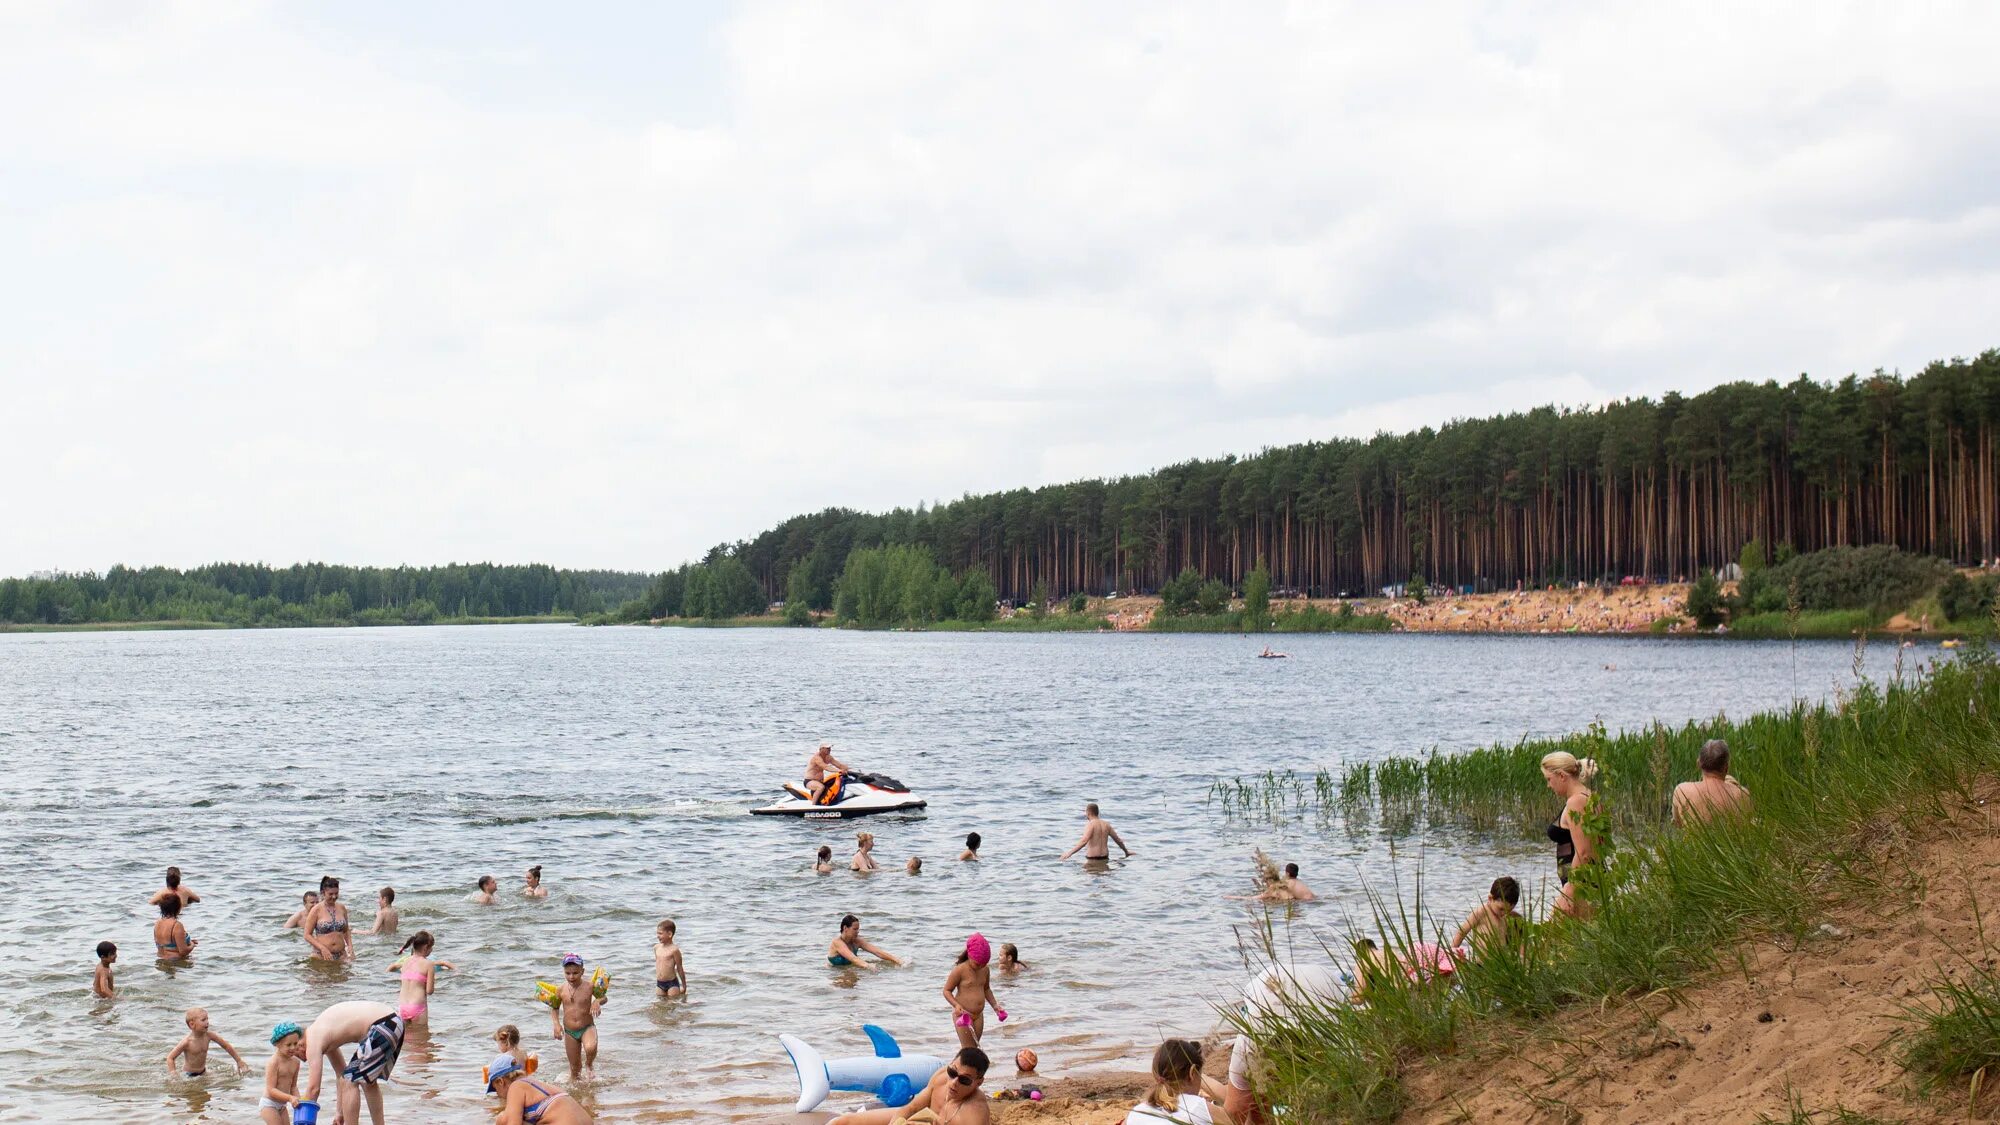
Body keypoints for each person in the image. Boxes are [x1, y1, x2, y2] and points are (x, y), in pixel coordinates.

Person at [301, 1000, 404, 1125]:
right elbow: (340, 1074)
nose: (303, 1059)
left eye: (294, 1052)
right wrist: (339, 1113)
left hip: (383, 1025)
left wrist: (303, 1116)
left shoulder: (312, 1041)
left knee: (350, 1080)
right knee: (367, 1082)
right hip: (394, 1022)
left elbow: (313, 1089)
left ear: (300, 1043)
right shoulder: (321, 1034)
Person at [828, 1046, 990, 1125]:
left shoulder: (975, 1111)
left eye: (965, 1080)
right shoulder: (942, 1076)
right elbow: (912, 1107)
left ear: (978, 1083)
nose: (954, 1082)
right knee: (841, 1122)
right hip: (918, 1119)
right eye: (953, 1072)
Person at [1541, 751, 1604, 919]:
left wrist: (1569, 890)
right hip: (1588, 882)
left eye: (1549, 779)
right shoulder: (1590, 797)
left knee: (1555, 940)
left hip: (1580, 886)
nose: (1549, 785)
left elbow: (1585, 852)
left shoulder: (1576, 801)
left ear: (1561, 776)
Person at [1125, 1039, 1231, 1124]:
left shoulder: (1136, 1112)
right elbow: (1238, 1109)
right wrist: (1199, 1076)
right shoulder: (1196, 1106)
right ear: (1192, 1073)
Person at [486, 1054, 594, 1124]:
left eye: (496, 1089)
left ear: (500, 1081)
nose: (498, 1094)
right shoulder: (539, 1085)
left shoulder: (516, 1087)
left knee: (503, 1118)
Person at [942, 933, 1005, 1048]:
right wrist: (956, 1005)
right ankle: (956, 1065)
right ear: (970, 956)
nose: (980, 967)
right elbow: (946, 990)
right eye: (977, 964)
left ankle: (965, 1065)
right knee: (968, 1049)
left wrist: (995, 1006)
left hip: (978, 1015)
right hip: (963, 1015)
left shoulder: (985, 969)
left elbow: (986, 989)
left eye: (983, 964)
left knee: (974, 1048)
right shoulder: (960, 970)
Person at [1672, 739, 1754, 826]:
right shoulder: (1743, 794)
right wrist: (1733, 784)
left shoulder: (1681, 791)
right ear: (1726, 767)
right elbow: (1747, 824)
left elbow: (1678, 824)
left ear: (1698, 763)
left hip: (1694, 840)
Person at [550, 953, 601, 1079]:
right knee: (575, 1069)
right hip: (570, 1032)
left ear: (582, 971)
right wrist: (556, 1025)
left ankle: (589, 1064)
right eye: (568, 973)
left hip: (587, 1027)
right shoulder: (560, 990)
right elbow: (554, 1008)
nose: (571, 976)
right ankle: (575, 1094)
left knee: (590, 1047)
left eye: (575, 973)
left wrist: (597, 1001)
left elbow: (603, 997)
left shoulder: (589, 986)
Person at [1449, 877, 1526, 956]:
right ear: (1490, 898)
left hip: (1500, 962)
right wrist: (1452, 951)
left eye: (1508, 910)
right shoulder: (1481, 913)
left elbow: (1520, 938)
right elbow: (1462, 932)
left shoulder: (1511, 916)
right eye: (1501, 909)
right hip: (1481, 962)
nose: (1504, 914)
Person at [389, 931, 452, 1023]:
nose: (432, 950)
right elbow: (429, 991)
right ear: (426, 947)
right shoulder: (428, 964)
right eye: (431, 947)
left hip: (403, 1006)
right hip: (417, 1007)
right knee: (422, 1035)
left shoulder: (405, 962)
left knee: (406, 1036)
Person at [166, 1007, 247, 1077]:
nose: (207, 1022)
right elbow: (170, 1058)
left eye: (207, 1018)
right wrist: (173, 1074)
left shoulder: (209, 1036)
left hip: (204, 1072)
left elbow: (226, 1046)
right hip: (189, 1075)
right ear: (192, 1024)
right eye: (203, 1020)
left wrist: (239, 1061)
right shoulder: (187, 1042)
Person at [259, 1022, 308, 1125]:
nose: (293, 1048)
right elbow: (271, 1090)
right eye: (288, 1045)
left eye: (295, 1043)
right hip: (269, 1105)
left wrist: (299, 1100)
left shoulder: (296, 1062)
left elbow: (293, 1087)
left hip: (282, 1106)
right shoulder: (274, 1062)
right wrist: (290, 1098)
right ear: (277, 1044)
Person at [301, 877, 353, 961]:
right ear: (323, 893)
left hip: (341, 955)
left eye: (336, 893)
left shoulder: (342, 908)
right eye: (330, 894)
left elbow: (346, 931)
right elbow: (307, 935)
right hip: (321, 955)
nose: (334, 896)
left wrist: (350, 948)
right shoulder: (316, 910)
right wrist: (322, 948)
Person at [1060, 803, 1131, 861]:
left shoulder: (1091, 824)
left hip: (1092, 859)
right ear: (1098, 813)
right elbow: (1118, 840)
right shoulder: (1106, 824)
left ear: (1088, 813)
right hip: (1105, 858)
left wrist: (1069, 853)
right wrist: (1126, 852)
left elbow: (1084, 841)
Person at [827, 913, 902, 967]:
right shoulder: (837, 942)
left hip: (849, 970)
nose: (858, 931)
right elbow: (853, 958)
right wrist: (869, 966)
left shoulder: (857, 941)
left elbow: (877, 952)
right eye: (855, 929)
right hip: (836, 973)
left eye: (858, 929)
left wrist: (897, 960)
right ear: (845, 928)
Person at [154, 894, 195, 962]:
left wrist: (189, 942)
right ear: (178, 908)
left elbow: (161, 945)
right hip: (175, 961)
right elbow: (183, 951)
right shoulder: (177, 925)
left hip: (160, 960)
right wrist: (192, 945)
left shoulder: (157, 924)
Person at [654, 920, 686, 998]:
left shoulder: (674, 950)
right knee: (660, 1005)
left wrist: (684, 986)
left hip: (672, 984)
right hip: (659, 983)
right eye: (657, 933)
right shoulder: (656, 948)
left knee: (672, 1004)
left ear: (670, 934)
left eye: (660, 933)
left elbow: (679, 968)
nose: (657, 936)